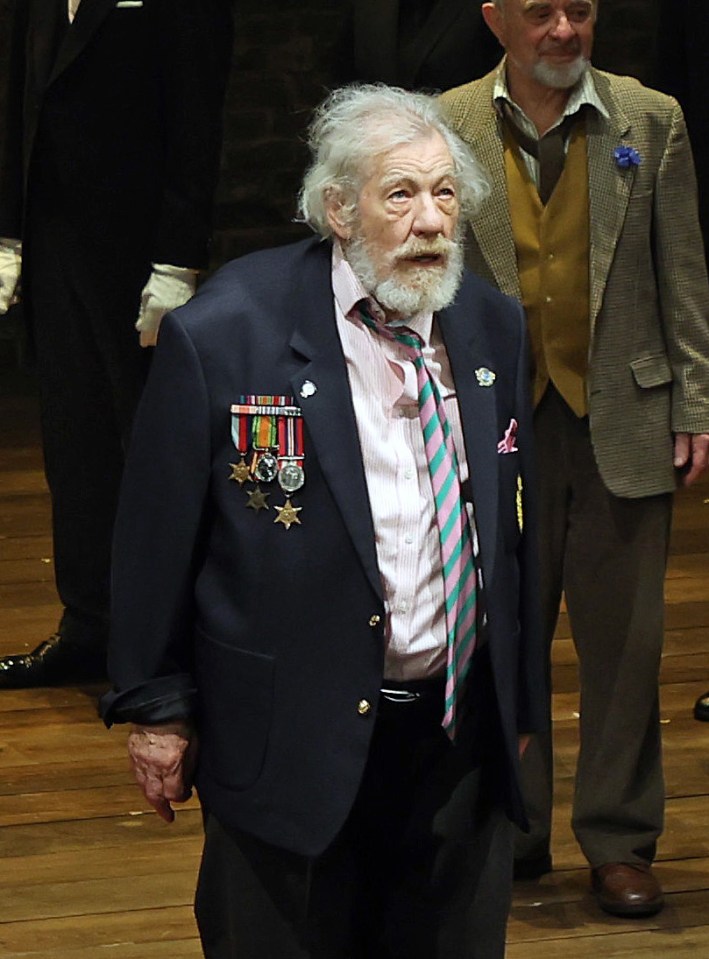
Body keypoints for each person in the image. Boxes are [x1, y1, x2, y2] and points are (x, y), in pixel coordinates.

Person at [100, 84, 545, 959]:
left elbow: (512, 533)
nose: (430, 221)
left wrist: (520, 696)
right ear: (338, 209)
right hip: (288, 744)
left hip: (454, 739)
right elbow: (154, 542)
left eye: (445, 193)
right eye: (400, 194)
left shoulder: (491, 326)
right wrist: (155, 708)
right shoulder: (227, 332)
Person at [439, 0, 709, 919]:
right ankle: (510, 826)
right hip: (492, 416)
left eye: (580, 11)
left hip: (621, 415)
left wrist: (695, 401)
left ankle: (620, 839)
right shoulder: (444, 124)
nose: (563, 29)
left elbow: (683, 271)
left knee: (625, 645)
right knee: (500, 634)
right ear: (494, 20)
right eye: (540, 12)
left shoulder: (648, 117)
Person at [0, 0, 233, 688]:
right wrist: (9, 229)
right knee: (73, 443)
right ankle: (90, 625)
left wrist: (177, 259)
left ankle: (167, 640)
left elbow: (198, 114)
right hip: (53, 235)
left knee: (153, 448)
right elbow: (16, 99)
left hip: (136, 249)